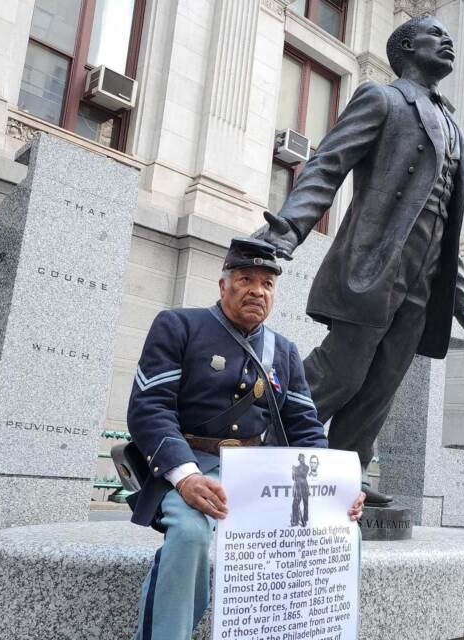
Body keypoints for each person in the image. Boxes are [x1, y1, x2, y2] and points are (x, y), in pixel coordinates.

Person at [255, 14, 464, 505]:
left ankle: (345, 478)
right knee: (340, 373)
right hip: (375, 265)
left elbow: (446, 223)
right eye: (437, 35)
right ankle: (261, 452)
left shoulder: (453, 125)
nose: (449, 41)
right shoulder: (383, 99)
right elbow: (327, 164)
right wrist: (285, 232)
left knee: (380, 386)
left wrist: (461, 302)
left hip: (424, 282)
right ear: (407, 47)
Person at [126, 237, 365, 640]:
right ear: (223, 286)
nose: (258, 290)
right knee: (190, 532)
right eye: (246, 278)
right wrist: (184, 477)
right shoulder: (179, 326)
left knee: (343, 529)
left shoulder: (284, 351)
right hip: (192, 465)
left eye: (267, 283)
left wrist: (336, 491)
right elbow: (149, 409)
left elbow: (305, 428)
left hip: (259, 475)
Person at [291, 453, 310, 526]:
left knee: (305, 504)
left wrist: (295, 470)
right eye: (300, 458)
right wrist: (293, 471)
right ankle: (295, 520)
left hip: (304, 487)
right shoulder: (297, 467)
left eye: (303, 458)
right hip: (298, 487)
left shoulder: (307, 467)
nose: (301, 459)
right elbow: (293, 478)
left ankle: (305, 519)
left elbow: (303, 475)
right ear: (299, 459)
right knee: (295, 504)